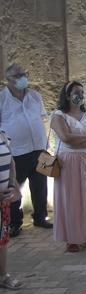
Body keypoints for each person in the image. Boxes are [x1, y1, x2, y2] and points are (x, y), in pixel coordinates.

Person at [50, 81, 86, 252]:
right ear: (67, 95)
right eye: (76, 92)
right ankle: (73, 238)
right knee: (73, 198)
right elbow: (66, 138)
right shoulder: (59, 115)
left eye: (82, 92)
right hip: (69, 161)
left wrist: (82, 139)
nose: (80, 95)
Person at [0, 62, 52, 236]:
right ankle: (15, 222)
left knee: (41, 185)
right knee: (14, 187)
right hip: (15, 152)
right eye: (18, 75)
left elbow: (42, 117)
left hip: (40, 148)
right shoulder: (2, 99)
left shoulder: (35, 96)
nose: (23, 78)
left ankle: (41, 217)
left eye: (24, 74)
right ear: (8, 80)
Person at [0, 129, 23, 289]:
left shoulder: (2, 135)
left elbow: (11, 162)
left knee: (2, 238)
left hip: (4, 198)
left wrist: (12, 184)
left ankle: (3, 276)